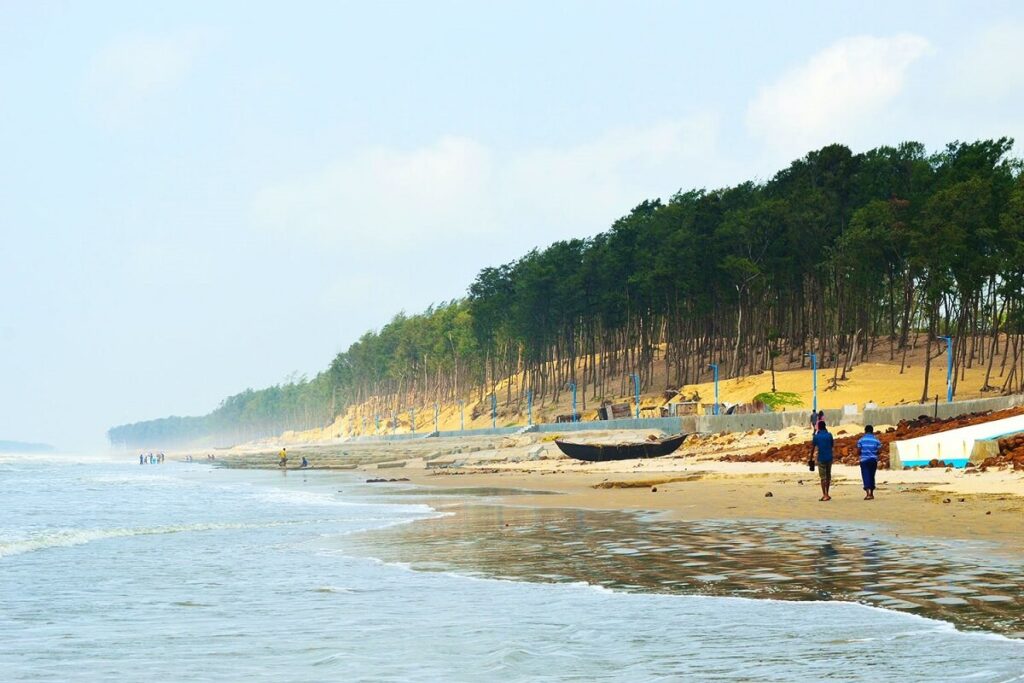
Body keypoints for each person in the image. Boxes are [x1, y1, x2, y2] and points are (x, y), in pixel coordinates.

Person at [809, 420, 834, 501]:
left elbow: (813, 448)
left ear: (819, 427)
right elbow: (832, 445)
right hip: (829, 457)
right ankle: (828, 493)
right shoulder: (829, 435)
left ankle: (825, 494)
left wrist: (811, 458)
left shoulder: (816, 437)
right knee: (828, 476)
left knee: (823, 477)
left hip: (821, 458)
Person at [857, 425, 882, 500]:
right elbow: (879, 451)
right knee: (872, 476)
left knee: (866, 476)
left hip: (864, 460)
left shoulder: (861, 440)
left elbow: (858, 451)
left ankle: (868, 494)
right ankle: (872, 493)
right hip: (873, 460)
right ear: (872, 431)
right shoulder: (876, 440)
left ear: (865, 431)